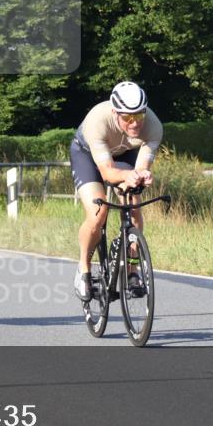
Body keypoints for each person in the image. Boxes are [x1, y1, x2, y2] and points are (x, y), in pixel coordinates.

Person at [70, 82, 163, 302]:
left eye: (139, 116)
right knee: (98, 212)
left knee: (135, 207)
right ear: (115, 113)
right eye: (128, 118)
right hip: (88, 157)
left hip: (125, 154)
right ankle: (83, 268)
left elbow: (141, 167)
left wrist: (142, 175)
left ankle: (132, 270)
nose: (135, 124)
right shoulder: (97, 122)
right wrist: (126, 176)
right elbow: (107, 172)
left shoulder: (153, 126)